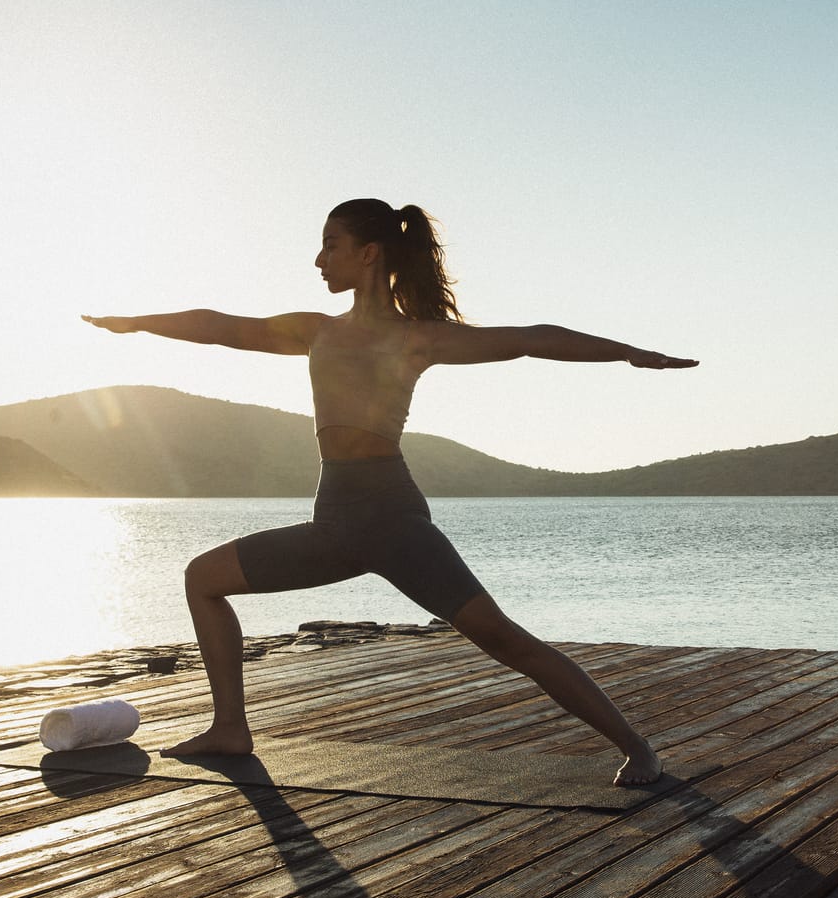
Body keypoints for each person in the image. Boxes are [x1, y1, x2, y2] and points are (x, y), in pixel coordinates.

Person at [83, 198, 696, 785]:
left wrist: (628, 354)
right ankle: (230, 728)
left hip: (393, 518)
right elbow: (221, 327)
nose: (320, 260)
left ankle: (636, 745)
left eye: (331, 245)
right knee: (204, 578)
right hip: (335, 520)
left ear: (369, 253)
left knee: (501, 637)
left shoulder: (418, 338)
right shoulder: (315, 331)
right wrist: (139, 323)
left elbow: (532, 337)